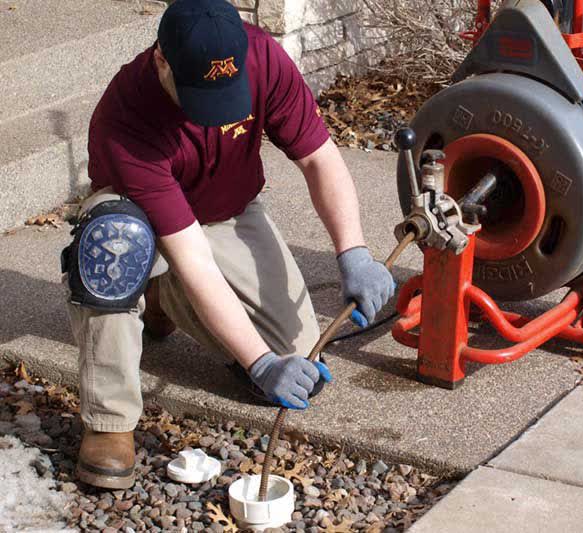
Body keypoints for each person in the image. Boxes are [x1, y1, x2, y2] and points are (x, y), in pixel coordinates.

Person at [62, 0, 395, 490]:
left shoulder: (264, 57)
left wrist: (354, 253)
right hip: (140, 220)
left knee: (301, 359)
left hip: (226, 213)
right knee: (116, 244)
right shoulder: (127, 117)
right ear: (161, 59)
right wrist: (260, 364)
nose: (214, 114)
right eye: (202, 96)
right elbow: (193, 258)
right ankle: (109, 421)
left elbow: (319, 159)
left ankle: (160, 295)